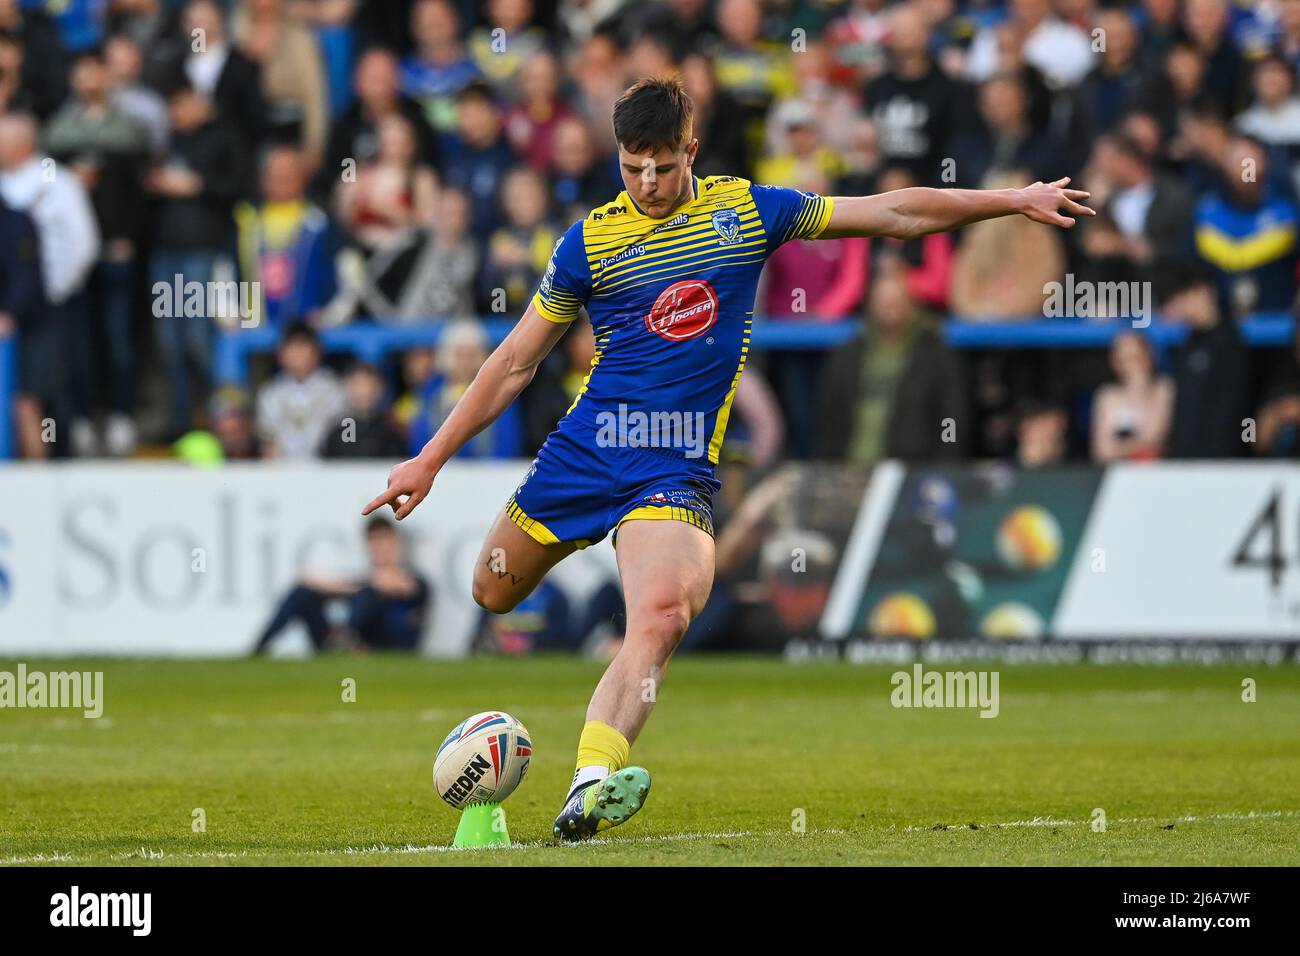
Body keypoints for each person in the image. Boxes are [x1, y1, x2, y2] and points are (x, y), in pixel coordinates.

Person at [361, 75, 1092, 842]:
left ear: (692, 150)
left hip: (674, 467)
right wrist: (430, 459)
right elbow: (515, 362)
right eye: (632, 166)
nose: (647, 183)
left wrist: (1011, 198)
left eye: (663, 166)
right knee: (492, 591)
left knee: (661, 614)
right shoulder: (587, 244)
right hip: (587, 449)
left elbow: (896, 213)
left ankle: (590, 781)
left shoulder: (746, 211)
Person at [253, 517, 432, 654]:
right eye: (374, 541)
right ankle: (258, 650)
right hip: (352, 644)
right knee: (303, 594)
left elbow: (392, 585)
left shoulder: (415, 580)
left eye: (385, 540)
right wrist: (342, 586)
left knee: (367, 595)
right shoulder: (361, 580)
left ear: (397, 543)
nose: (380, 547)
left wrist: (348, 587)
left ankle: (345, 641)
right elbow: (308, 579)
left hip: (389, 646)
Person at [255, 321, 347, 459]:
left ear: (317, 351)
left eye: (303, 346)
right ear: (280, 353)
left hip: (327, 470)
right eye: (291, 347)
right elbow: (268, 441)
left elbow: (343, 439)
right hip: (281, 472)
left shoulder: (336, 391)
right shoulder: (270, 393)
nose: (297, 354)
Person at [1090, 331, 1174, 462]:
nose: (1133, 366)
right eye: (1124, 360)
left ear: (1151, 356)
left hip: (1157, 470)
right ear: (1115, 363)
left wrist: (1139, 391)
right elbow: (1102, 451)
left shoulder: (1165, 389)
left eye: (1137, 358)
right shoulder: (1107, 395)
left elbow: (1156, 437)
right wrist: (1136, 445)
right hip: (1118, 474)